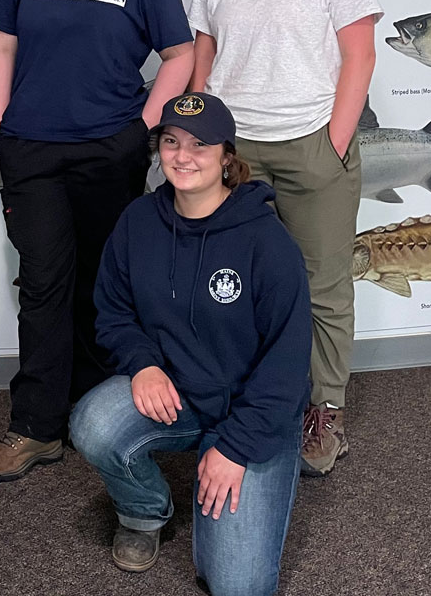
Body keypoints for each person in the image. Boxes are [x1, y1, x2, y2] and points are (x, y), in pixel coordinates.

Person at [0, 0, 195, 483]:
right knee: (43, 281)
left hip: (110, 149)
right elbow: (1, 46)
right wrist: (3, 125)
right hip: (33, 149)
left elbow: (179, 54)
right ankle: (35, 427)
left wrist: (143, 128)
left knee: (104, 282)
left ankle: (97, 411)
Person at [188, 0, 380, 477]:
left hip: (310, 141)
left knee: (322, 285)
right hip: (237, 148)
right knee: (237, 280)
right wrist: (202, 134)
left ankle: (325, 410)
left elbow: (360, 54)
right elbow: (204, 53)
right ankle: (252, 397)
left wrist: (335, 141)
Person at [70, 92, 311, 595]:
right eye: (171, 142)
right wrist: (143, 364)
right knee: (94, 423)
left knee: (236, 587)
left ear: (227, 156)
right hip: (178, 391)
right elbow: (113, 311)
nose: (183, 156)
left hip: (254, 411)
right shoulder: (138, 221)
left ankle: (221, 491)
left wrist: (235, 447)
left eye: (201, 145)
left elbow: (287, 364)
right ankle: (144, 510)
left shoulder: (267, 241)